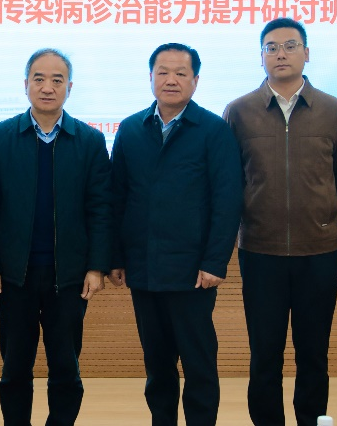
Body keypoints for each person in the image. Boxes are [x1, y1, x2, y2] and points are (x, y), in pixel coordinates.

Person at [222, 18, 337, 426]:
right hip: (261, 252)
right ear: (261, 56)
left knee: (314, 353)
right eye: (272, 47)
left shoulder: (334, 110)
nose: (281, 54)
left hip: (319, 252)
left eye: (291, 45)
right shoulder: (239, 112)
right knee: (265, 354)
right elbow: (231, 182)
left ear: (306, 53)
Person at [0, 49, 112, 426]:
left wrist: (97, 267)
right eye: (39, 79)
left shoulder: (89, 140)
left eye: (56, 80)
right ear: (26, 85)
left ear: (69, 87)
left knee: (65, 368)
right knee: (14, 368)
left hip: (68, 277)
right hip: (13, 276)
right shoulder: (0, 137)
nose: (47, 87)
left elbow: (101, 209)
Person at [109, 42, 242, 426]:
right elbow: (117, 197)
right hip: (144, 269)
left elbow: (227, 200)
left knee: (199, 363)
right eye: (163, 72)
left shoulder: (213, 130)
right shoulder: (131, 129)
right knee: (157, 364)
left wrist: (215, 262)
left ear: (195, 80)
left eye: (181, 73)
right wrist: (116, 257)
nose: (171, 80)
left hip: (193, 272)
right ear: (150, 77)